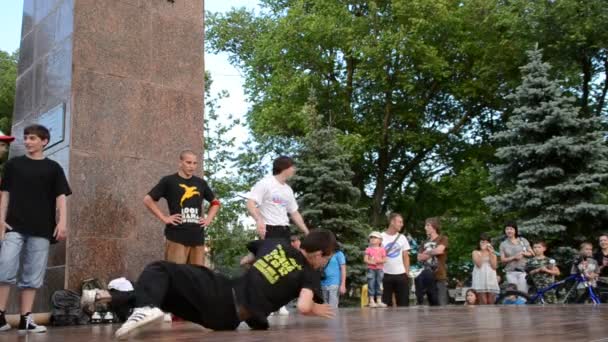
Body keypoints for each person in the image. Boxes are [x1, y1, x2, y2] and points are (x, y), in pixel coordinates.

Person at [80, 229, 337, 340]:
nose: (324, 264)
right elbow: (303, 306)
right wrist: (316, 309)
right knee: (165, 292)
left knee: (161, 268)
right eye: (327, 259)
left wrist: (251, 260)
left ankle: (142, 305)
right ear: (319, 254)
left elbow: (249, 255)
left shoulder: (276, 244)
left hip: (223, 293)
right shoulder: (308, 273)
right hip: (224, 319)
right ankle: (108, 299)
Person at [0, 125, 72, 333]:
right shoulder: (13, 165)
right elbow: (5, 194)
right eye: (26, 138)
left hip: (42, 229)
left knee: (32, 275)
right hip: (14, 225)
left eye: (32, 138)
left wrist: (62, 222)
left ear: (44, 141)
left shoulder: (54, 168)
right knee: (5, 266)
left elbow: (61, 198)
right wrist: (0, 220)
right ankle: (0, 315)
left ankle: (26, 319)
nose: (28, 141)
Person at [143, 150, 220, 266]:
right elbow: (148, 200)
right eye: (188, 162)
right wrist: (164, 218)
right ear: (180, 163)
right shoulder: (169, 181)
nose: (192, 166)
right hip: (176, 237)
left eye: (195, 163)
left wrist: (208, 219)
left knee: (196, 277)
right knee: (176, 276)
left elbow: (215, 203)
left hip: (197, 237)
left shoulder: (201, 183)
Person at [246, 156, 309, 242]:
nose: (294, 170)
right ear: (285, 167)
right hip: (269, 229)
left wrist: (306, 231)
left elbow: (294, 213)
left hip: (285, 230)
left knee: (283, 254)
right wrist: (259, 220)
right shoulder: (265, 183)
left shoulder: (288, 190)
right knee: (270, 254)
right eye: (292, 167)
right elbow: (250, 203)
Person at [416, 217, 449, 306]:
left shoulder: (442, 238)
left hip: (439, 276)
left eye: (427, 225)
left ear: (434, 226)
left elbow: (440, 250)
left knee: (441, 305)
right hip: (427, 278)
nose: (425, 228)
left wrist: (427, 252)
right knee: (431, 306)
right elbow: (419, 257)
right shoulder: (424, 242)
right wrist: (432, 252)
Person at [381, 213, 411, 307]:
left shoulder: (402, 238)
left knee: (403, 304)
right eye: (400, 222)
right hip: (385, 274)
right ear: (392, 222)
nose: (402, 224)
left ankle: (404, 322)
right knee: (385, 305)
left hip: (401, 275)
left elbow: (405, 256)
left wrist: (406, 273)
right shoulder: (380, 237)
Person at [499, 222, 533, 293]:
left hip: (523, 271)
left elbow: (532, 253)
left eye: (511, 229)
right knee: (513, 293)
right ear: (505, 231)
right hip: (510, 272)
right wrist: (514, 257)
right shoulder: (503, 244)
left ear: (515, 230)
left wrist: (523, 253)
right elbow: (502, 260)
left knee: (523, 293)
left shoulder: (522, 240)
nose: (509, 231)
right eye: (507, 229)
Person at [471, 233, 500, 304]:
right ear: (479, 243)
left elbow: (494, 266)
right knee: (483, 301)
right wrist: (483, 252)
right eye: (482, 242)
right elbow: (478, 264)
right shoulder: (475, 252)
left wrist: (491, 253)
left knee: (491, 301)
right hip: (480, 278)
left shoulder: (492, 253)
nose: (484, 244)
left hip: (490, 277)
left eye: (486, 242)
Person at [364, 231, 387, 308]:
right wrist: (371, 262)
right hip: (371, 269)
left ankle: (379, 300)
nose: (373, 239)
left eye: (375, 237)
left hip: (380, 270)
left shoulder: (382, 249)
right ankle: (371, 300)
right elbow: (365, 260)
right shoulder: (368, 249)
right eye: (371, 237)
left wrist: (378, 261)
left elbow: (385, 260)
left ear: (380, 240)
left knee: (379, 284)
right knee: (371, 283)